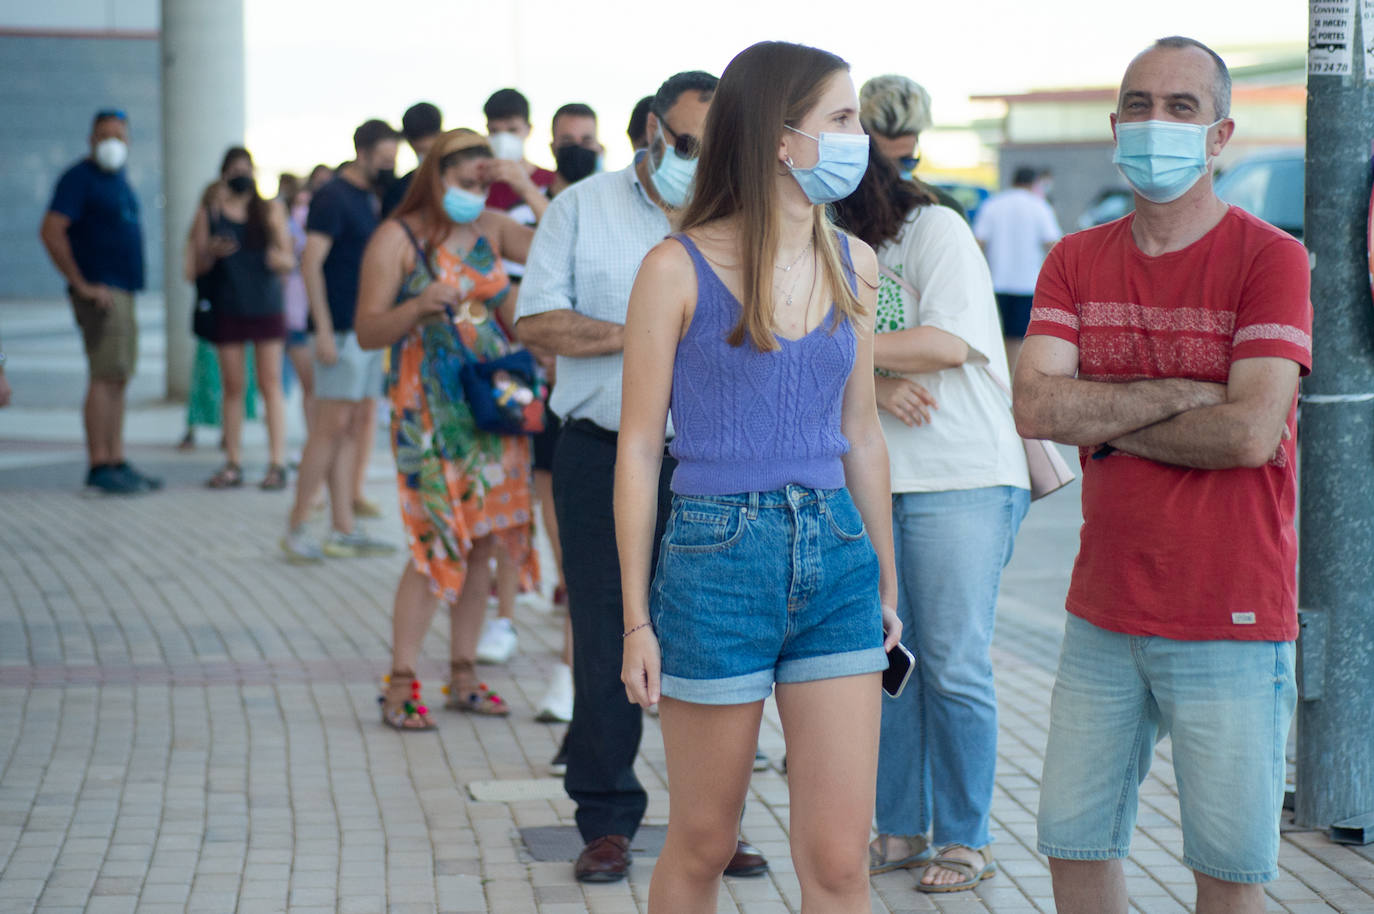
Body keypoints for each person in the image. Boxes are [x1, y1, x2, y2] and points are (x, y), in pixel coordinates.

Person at [1014, 37, 1310, 914]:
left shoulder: (1270, 259)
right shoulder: (1076, 258)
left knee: (1228, 871)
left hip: (1232, 614)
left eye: (1181, 108)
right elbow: (1036, 409)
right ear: (1113, 127)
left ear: (1220, 136)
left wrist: (1104, 417)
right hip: (1101, 611)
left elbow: (1252, 434)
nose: (1156, 123)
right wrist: (1185, 393)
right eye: (1139, 105)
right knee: (1074, 845)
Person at [616, 42, 901, 912]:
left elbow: (862, 431)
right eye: (844, 120)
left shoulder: (858, 262)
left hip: (839, 560)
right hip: (715, 558)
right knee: (702, 845)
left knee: (840, 863)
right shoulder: (672, 267)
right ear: (782, 139)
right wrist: (635, 620)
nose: (863, 138)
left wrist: (888, 581)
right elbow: (636, 447)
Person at [517, 69, 768, 885]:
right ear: (654, 129)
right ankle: (605, 817)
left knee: (718, 640)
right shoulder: (579, 208)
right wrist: (646, 329)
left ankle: (717, 826)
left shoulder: (742, 218)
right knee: (604, 628)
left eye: (716, 143)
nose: (700, 157)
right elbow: (536, 318)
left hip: (713, 458)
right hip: (600, 449)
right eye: (689, 141)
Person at [832, 145, 1030, 892]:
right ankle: (901, 828)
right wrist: (878, 381)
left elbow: (947, 342)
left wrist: (857, 362)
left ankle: (965, 836)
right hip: (875, 476)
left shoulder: (931, 230)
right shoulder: (813, 245)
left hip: (963, 475)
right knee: (890, 663)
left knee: (951, 660)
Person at [354, 129, 539, 729]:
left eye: (483, 183)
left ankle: (464, 673)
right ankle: (401, 682)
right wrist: (417, 305)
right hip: (429, 412)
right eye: (467, 182)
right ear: (435, 175)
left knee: (484, 536)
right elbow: (367, 330)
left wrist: (523, 187)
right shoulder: (397, 237)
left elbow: (561, 249)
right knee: (436, 538)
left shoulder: (491, 228)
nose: (476, 193)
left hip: (493, 405)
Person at [280, 119, 401, 562]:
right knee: (328, 430)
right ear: (363, 152)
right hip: (340, 332)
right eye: (384, 159)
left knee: (351, 427)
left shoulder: (371, 198)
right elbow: (310, 264)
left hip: (365, 331)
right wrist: (324, 330)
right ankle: (296, 526)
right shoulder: (331, 197)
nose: (390, 167)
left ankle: (343, 526)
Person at [530, 102, 606, 727]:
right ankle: (569, 677)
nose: (577, 148)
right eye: (568, 140)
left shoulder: (616, 209)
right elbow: (535, 320)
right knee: (574, 566)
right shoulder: (548, 205)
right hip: (559, 410)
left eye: (586, 139)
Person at [39, 109, 161, 495]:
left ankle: (116, 459)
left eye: (119, 135)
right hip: (101, 294)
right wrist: (82, 284)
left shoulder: (119, 180)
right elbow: (51, 231)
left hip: (124, 291)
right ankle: (99, 463)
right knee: (103, 376)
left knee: (119, 377)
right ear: (91, 138)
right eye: (105, 134)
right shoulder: (79, 179)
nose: (112, 142)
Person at [185, 147, 293, 490]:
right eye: (234, 169)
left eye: (246, 168)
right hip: (228, 304)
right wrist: (211, 253)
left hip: (265, 304)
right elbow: (192, 268)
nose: (241, 174)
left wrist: (278, 258)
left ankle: (277, 462)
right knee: (233, 387)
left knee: (270, 384)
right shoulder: (210, 212)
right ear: (223, 174)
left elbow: (288, 259)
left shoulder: (270, 210)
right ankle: (232, 461)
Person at [972, 165, 1062, 370]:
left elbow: (978, 242)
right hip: (1027, 284)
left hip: (996, 283)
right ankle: (1015, 383)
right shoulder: (1040, 206)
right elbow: (1053, 245)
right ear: (1034, 183)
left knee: (996, 336)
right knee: (1021, 339)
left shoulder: (992, 204)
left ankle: (999, 380)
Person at [858, 75, 968, 223]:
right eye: (881, 165)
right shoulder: (835, 210)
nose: (893, 176)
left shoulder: (943, 209)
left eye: (907, 162)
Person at [383, 102, 443, 218]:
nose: (427, 159)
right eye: (422, 151)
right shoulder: (398, 191)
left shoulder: (463, 182)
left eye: (430, 151)